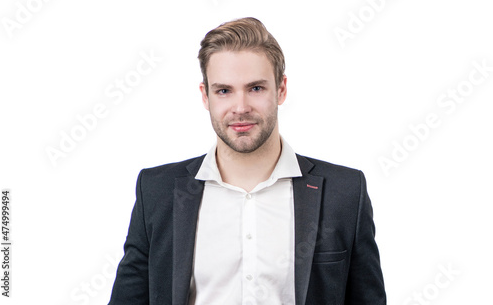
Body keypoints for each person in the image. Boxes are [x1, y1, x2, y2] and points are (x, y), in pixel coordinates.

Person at [108, 17, 386, 305]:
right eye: (224, 91)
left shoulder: (345, 192)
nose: (240, 108)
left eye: (255, 88)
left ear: (281, 89)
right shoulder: (157, 191)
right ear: (206, 96)